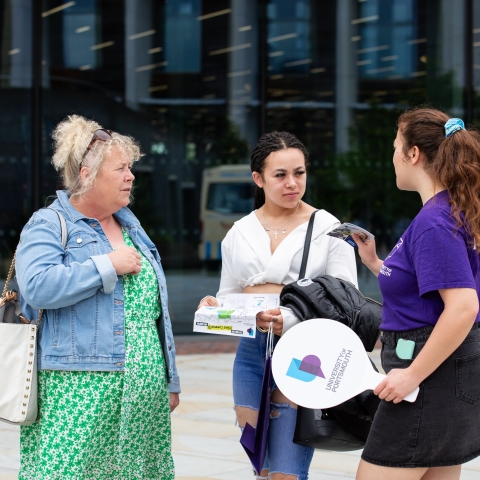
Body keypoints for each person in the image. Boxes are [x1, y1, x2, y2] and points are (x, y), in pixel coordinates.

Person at [15, 115, 180, 480]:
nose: (130, 176)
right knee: (70, 471)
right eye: (121, 168)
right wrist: (106, 264)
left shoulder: (129, 223)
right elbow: (38, 285)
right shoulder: (48, 223)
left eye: (130, 168)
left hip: (143, 385)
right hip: (79, 386)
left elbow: (155, 312)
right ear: (87, 175)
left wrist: (169, 380)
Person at [197, 131, 357, 480]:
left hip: (304, 354)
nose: (292, 183)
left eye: (299, 173)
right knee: (262, 469)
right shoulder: (238, 232)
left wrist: (292, 320)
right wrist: (214, 308)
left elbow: (347, 303)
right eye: (280, 175)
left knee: (286, 472)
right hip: (251, 355)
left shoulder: (331, 229)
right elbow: (229, 296)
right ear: (258, 178)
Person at [353, 108, 480, 480]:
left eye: (396, 147)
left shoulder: (434, 222)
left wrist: (411, 376)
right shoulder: (450, 212)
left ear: (413, 154)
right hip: (444, 374)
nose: (392, 156)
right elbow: (431, 292)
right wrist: (376, 263)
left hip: (426, 379)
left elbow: (462, 308)